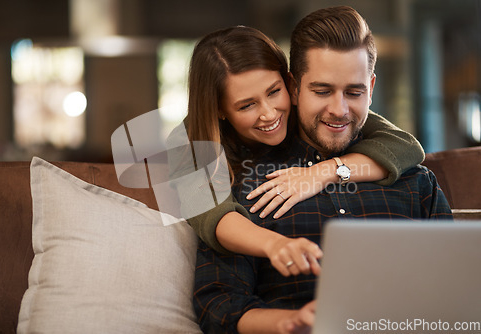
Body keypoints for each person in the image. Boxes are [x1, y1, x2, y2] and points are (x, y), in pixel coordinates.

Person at [192, 6, 452, 333]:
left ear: (371, 88)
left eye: (354, 92)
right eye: (322, 90)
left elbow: (459, 289)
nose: (339, 110)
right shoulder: (245, 187)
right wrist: (290, 322)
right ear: (295, 87)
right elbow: (217, 305)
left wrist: (326, 172)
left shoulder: (415, 181)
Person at [168, 23, 425, 277]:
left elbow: (405, 146)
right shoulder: (189, 141)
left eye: (274, 91)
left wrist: (322, 173)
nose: (269, 114)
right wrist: (277, 245)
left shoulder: (317, 111)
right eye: (247, 106)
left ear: (290, 85)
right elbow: (214, 216)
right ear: (219, 110)